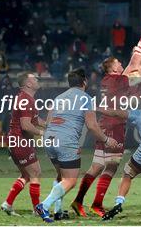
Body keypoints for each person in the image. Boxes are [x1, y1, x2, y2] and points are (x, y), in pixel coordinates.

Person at [34, 69, 119, 223]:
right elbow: (92, 126)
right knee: (70, 180)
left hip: (49, 138)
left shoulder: (58, 98)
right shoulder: (86, 98)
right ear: (84, 82)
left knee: (61, 176)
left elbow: (48, 122)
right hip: (66, 140)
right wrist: (106, 140)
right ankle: (44, 206)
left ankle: (58, 211)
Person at [71, 57, 141, 217]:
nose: (121, 64)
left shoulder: (108, 80)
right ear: (112, 68)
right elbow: (140, 76)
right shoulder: (119, 79)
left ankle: (78, 200)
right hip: (114, 126)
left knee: (96, 166)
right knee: (111, 166)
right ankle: (97, 204)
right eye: (118, 63)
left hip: (105, 124)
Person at [0, 72, 47, 218]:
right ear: (28, 84)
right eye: (34, 78)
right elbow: (26, 125)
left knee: (26, 175)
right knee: (35, 173)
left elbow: (34, 119)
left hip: (17, 141)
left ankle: (8, 203)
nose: (37, 80)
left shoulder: (26, 98)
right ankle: (37, 210)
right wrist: (42, 134)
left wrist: (48, 125)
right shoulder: (26, 100)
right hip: (21, 141)